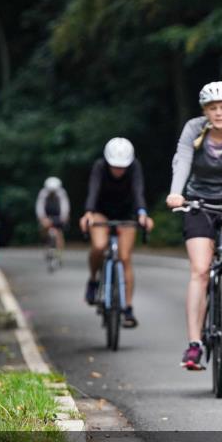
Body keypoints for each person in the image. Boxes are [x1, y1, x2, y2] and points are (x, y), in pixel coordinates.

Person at [167, 81, 222, 370]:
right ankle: (194, 344)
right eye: (212, 108)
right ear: (205, 110)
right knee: (200, 270)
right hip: (199, 201)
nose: (218, 112)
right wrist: (175, 191)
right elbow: (182, 159)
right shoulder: (194, 129)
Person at [79, 138, 154, 327]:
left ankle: (127, 308)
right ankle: (93, 279)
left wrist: (142, 214)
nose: (119, 170)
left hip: (127, 214)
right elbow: (93, 191)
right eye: (115, 166)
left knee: (125, 257)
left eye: (123, 167)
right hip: (101, 212)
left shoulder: (135, 167)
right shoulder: (99, 167)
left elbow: (138, 192)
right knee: (98, 245)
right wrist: (88, 213)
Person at [36, 176, 70, 255]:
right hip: (47, 215)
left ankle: (59, 253)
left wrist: (64, 217)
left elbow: (65, 206)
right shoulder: (43, 193)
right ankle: (46, 242)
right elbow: (39, 207)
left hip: (59, 215)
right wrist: (42, 218)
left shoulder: (62, 193)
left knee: (59, 233)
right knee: (43, 228)